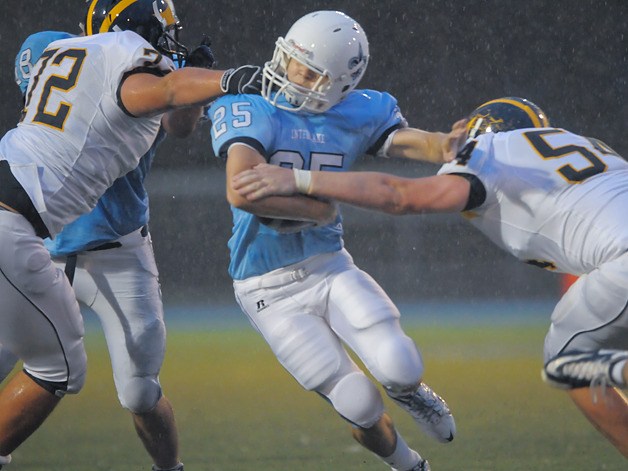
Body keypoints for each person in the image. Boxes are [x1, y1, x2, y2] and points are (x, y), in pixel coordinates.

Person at [233, 96, 628, 460]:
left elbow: (400, 196)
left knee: (569, 360)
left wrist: (300, 179)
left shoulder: (488, 153)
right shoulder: (588, 145)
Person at [0, 0, 262, 467]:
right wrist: (229, 77)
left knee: (140, 389)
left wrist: (200, 81)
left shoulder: (102, 61)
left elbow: (174, 113)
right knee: (51, 365)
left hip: (112, 246)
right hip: (39, 239)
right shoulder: (108, 58)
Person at [208, 10, 468, 471]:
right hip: (264, 286)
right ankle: (409, 464)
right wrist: (319, 208)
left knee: (400, 365)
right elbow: (241, 188)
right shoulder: (251, 106)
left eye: (309, 71)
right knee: (357, 403)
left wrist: (441, 145)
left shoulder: (360, 110)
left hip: (329, 263)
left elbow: (409, 142)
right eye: (291, 61)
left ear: (340, 86)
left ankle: (410, 394)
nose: (291, 74)